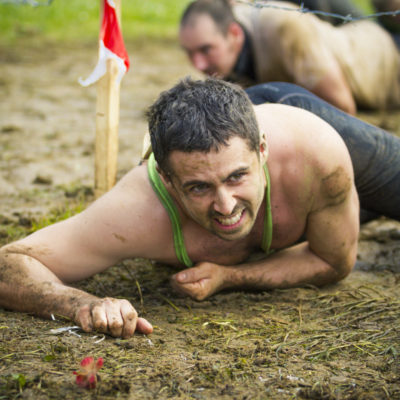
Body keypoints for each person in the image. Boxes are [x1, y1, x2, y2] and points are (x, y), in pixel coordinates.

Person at [0, 77, 400, 339]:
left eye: (236, 178)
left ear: (262, 152)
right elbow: (10, 262)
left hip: (291, 117)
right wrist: (81, 303)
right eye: (199, 188)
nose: (225, 206)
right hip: (215, 135)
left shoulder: (317, 156)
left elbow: (336, 261)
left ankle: (342, 204)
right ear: (170, 181)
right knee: (328, 213)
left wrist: (230, 276)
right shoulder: (139, 209)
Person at [179, 0, 400, 115]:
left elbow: (342, 108)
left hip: (387, 60)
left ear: (234, 34)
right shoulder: (230, 30)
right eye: (189, 53)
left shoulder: (285, 28)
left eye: (206, 49)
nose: (198, 64)